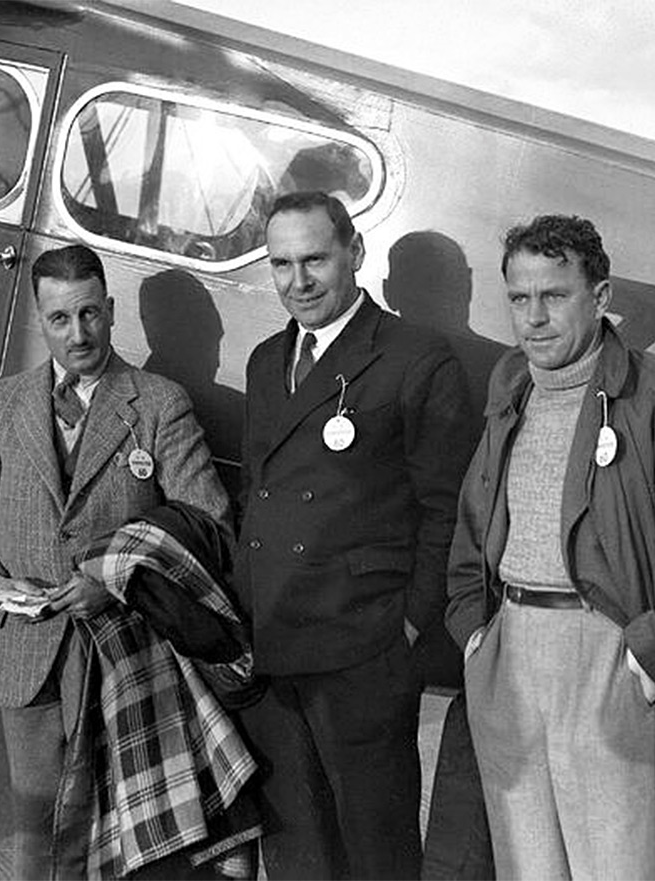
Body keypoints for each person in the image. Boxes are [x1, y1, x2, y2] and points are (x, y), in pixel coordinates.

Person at [447, 214, 655, 879]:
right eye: (519, 298)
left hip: (609, 659)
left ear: (599, 297)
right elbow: (474, 525)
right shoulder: (510, 389)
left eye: (554, 295)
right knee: (527, 867)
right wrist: (473, 633)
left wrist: (647, 666)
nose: (533, 317)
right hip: (511, 654)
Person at [0, 244, 231, 880]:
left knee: (131, 836)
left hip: (127, 658)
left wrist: (115, 580)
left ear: (112, 312)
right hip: (27, 658)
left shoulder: (158, 404)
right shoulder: (2, 405)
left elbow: (207, 526)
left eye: (91, 314)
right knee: (38, 839)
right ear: (39, 323)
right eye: (61, 319)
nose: (79, 334)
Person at [235, 191, 473, 879]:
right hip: (275, 639)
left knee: (377, 848)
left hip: (362, 649)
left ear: (355, 255)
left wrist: (406, 624)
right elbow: (257, 492)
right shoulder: (263, 361)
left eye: (314, 259)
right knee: (298, 850)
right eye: (281, 264)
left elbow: (447, 508)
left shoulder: (414, 357)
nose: (298, 282)